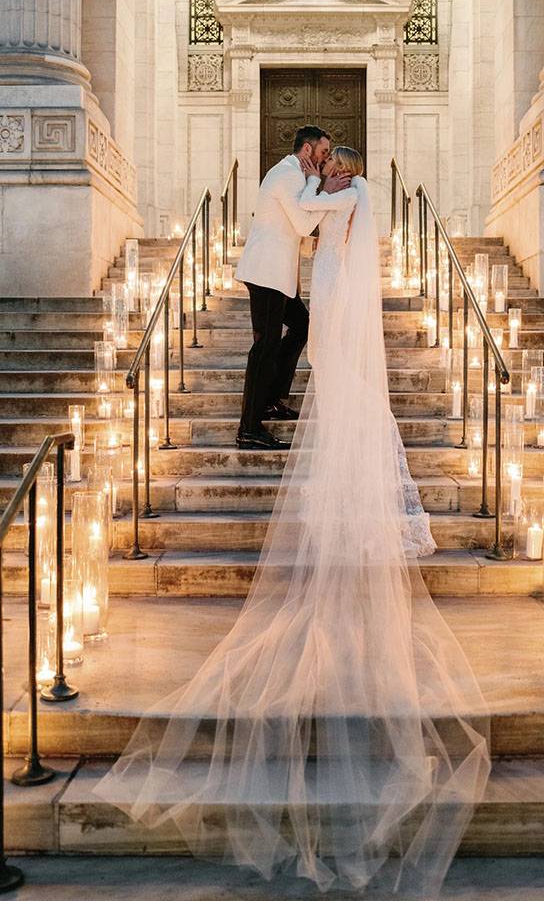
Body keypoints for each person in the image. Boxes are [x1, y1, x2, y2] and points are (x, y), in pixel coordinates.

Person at [94, 147, 490, 898]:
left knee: (326, 360)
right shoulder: (310, 183)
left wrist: (319, 191)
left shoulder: (342, 194)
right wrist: (311, 189)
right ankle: (286, 415)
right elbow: (306, 216)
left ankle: (308, 433)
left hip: (334, 288)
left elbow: (311, 215)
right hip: (326, 284)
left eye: (338, 165)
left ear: (348, 170)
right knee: (314, 352)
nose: (331, 171)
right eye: (327, 162)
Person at [234, 125, 351, 450]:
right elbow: (303, 224)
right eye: (324, 153)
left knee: (302, 328)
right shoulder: (287, 175)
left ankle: (272, 399)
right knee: (264, 348)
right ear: (307, 151)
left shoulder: (294, 176)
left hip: (280, 278)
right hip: (265, 274)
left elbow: (294, 231)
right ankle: (249, 427)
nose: (327, 159)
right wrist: (323, 187)